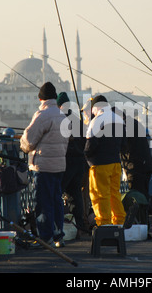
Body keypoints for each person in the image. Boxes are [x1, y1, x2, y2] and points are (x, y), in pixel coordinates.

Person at [20, 83, 69, 247]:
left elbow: (29, 140)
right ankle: (58, 236)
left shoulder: (42, 115)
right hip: (60, 166)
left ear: (40, 98)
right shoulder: (62, 116)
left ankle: (45, 237)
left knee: (42, 203)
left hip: (43, 166)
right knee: (56, 201)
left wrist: (23, 147)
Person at [84, 95, 126, 226]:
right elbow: (124, 144)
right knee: (114, 194)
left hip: (100, 164)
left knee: (100, 195)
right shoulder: (119, 119)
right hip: (115, 163)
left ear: (96, 107)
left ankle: (104, 223)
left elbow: (91, 145)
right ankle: (119, 221)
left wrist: (85, 156)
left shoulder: (97, 120)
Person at [56, 92, 87, 237]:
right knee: (75, 195)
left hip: (66, 162)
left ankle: (58, 227)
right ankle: (79, 226)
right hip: (80, 163)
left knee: (57, 192)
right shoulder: (78, 121)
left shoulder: (59, 119)